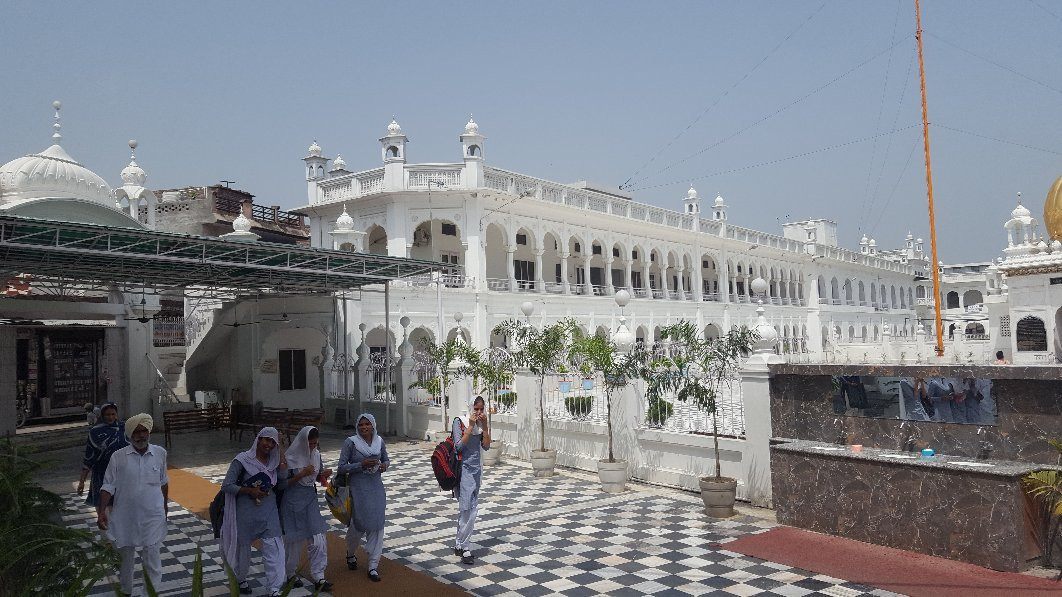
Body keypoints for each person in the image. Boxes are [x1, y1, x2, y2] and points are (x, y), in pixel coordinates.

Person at [96, 413, 167, 597]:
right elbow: (108, 485)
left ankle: (149, 593)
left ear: (149, 432)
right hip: (125, 516)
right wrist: (101, 510)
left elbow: (163, 482)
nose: (141, 435)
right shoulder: (118, 457)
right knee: (126, 559)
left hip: (153, 515)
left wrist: (165, 508)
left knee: (152, 557)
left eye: (144, 431)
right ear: (130, 435)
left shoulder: (160, 453)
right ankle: (126, 591)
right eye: (137, 432)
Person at [221, 427, 289, 596]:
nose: (269, 444)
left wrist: (281, 450)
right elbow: (227, 485)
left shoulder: (273, 462)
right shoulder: (242, 460)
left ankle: (274, 588)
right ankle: (240, 578)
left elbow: (282, 479)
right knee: (243, 549)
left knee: (274, 545)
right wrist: (249, 491)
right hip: (246, 511)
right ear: (258, 439)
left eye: (273, 442)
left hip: (269, 510)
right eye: (266, 439)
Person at [280, 426, 333, 592]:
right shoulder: (289, 457)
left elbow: (316, 476)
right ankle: (289, 574)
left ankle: (319, 577)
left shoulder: (316, 454)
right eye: (309, 444)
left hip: (310, 501)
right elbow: (281, 484)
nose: (312, 447)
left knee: (318, 538)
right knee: (293, 542)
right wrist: (301, 474)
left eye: (315, 444)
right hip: (292, 503)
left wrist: (323, 474)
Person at [337, 413, 389, 582]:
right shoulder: (351, 443)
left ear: (373, 425)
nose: (364, 427)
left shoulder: (379, 441)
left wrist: (383, 466)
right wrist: (361, 465)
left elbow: (387, 460)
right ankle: (351, 553)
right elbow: (341, 468)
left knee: (378, 523)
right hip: (358, 489)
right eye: (361, 424)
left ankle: (373, 565)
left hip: (376, 487)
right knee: (358, 524)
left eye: (367, 424)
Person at [453, 396, 491, 565]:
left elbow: (486, 446)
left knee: (467, 510)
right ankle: (465, 547)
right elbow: (458, 447)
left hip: (476, 471)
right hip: (463, 471)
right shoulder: (459, 422)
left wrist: (485, 427)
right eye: (475, 409)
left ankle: (459, 543)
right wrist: (470, 426)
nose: (478, 412)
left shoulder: (481, 424)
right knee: (471, 510)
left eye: (481, 409)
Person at [78, 402, 127, 506]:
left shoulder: (124, 429)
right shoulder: (95, 432)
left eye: (113, 414)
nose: (110, 417)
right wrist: (82, 481)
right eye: (107, 415)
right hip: (101, 475)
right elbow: (89, 457)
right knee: (103, 509)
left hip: (122, 475)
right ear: (102, 415)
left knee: (122, 510)